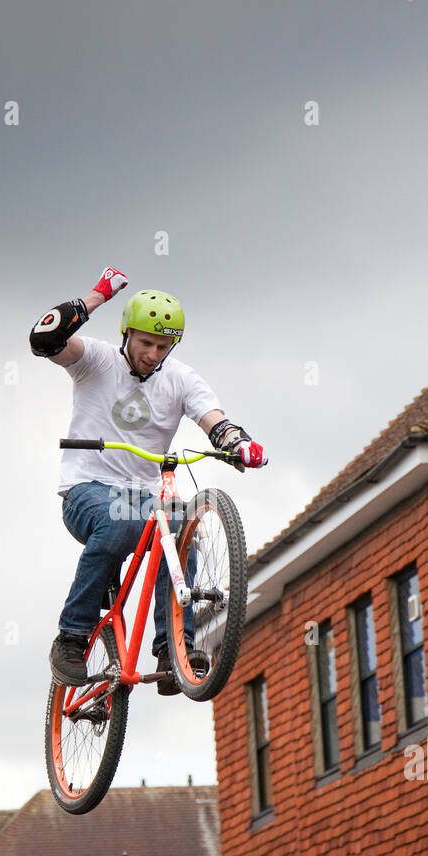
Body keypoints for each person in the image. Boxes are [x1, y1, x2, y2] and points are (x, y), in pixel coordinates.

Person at [29, 267, 266, 693]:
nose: (154, 354)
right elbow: (43, 340)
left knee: (179, 526)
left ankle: (173, 646)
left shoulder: (181, 379)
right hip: (87, 489)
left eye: (163, 345)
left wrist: (239, 442)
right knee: (119, 521)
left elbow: (213, 419)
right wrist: (96, 297)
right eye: (146, 343)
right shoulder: (96, 361)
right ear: (126, 334)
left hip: (145, 500)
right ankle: (71, 636)